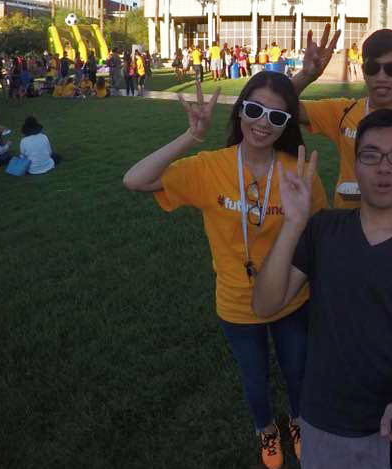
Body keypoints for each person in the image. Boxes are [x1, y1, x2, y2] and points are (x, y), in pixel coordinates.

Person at [124, 73, 327, 469]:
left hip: (290, 297)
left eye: (277, 116)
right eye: (254, 110)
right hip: (236, 302)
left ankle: (299, 422)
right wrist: (191, 136)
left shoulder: (298, 171)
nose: (263, 122)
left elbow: (317, 239)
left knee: (297, 369)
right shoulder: (210, 167)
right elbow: (135, 180)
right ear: (240, 112)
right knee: (254, 376)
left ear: (286, 124)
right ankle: (266, 430)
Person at [252, 109, 392, 469]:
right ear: (355, 165)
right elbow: (264, 304)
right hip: (324, 424)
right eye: (371, 155)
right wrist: (292, 224)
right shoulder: (322, 230)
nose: (384, 168)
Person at [291, 26, 392, 208]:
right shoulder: (343, 112)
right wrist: (305, 76)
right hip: (350, 220)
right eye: (373, 68)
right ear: (363, 71)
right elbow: (280, 106)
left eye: (391, 69)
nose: (381, 77)